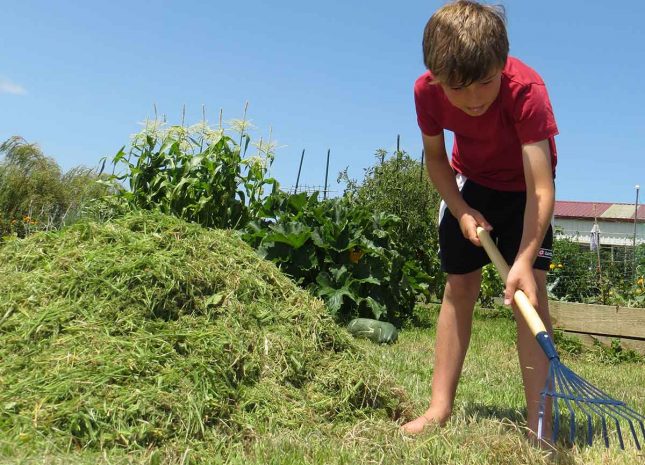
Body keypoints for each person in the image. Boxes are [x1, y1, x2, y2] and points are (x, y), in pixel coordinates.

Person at [401, 0, 558, 444]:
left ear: (501, 64)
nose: (474, 100)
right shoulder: (426, 92)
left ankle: (539, 424)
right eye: (458, 88)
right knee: (459, 286)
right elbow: (435, 160)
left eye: (486, 82)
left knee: (531, 293)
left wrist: (525, 257)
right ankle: (439, 407)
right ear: (436, 77)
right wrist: (461, 209)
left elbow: (542, 188)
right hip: (470, 184)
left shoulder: (526, 90)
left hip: (525, 191)